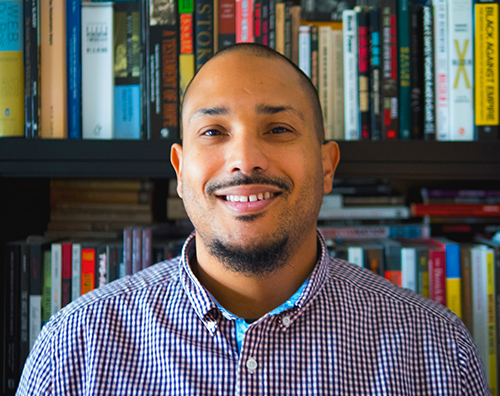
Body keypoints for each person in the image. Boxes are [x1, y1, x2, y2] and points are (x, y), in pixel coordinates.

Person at [17, 43, 489, 395]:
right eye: (214, 131)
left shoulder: (435, 350)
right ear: (180, 171)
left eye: (278, 129)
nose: (245, 160)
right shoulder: (74, 348)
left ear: (326, 166)